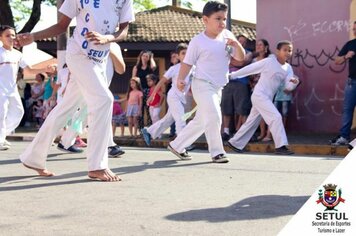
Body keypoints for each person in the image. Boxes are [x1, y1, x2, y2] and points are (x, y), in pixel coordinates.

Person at [16, 0, 134, 181]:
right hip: (78, 55)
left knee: (65, 108)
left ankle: (33, 158)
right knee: (104, 100)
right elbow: (61, 25)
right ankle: (97, 166)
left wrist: (107, 38)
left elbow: (124, 31)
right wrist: (33, 36)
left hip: (100, 61)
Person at [167, 1, 245, 163]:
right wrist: (181, 80)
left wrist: (237, 45)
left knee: (202, 121)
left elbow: (239, 58)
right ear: (205, 20)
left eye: (224, 19)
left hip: (218, 87)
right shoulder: (198, 41)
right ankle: (217, 152)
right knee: (215, 116)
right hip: (201, 85)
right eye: (218, 19)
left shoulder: (228, 36)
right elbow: (187, 63)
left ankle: (177, 145)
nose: (222, 23)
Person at [226, 40, 299, 155]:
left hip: (267, 98)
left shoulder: (288, 68)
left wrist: (294, 82)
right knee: (276, 117)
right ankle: (281, 146)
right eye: (285, 50)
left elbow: (287, 87)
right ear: (278, 51)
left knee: (251, 122)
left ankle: (234, 143)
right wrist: (233, 75)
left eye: (290, 50)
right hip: (259, 95)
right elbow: (251, 68)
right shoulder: (270, 61)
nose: (288, 52)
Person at [0, 25, 53, 151]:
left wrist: (45, 69)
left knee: (19, 112)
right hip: (1, 90)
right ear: (1, 38)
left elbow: (29, 69)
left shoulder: (18, 54)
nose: (11, 38)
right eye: (7, 35)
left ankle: (1, 136)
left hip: (12, 90)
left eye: (13, 35)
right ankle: (0, 140)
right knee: (2, 114)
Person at [141, 43, 193, 145]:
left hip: (183, 99)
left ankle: (148, 131)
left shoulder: (193, 68)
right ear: (178, 56)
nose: (186, 55)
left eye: (188, 53)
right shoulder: (174, 68)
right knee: (181, 119)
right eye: (183, 53)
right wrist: (152, 96)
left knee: (168, 120)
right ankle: (181, 145)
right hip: (173, 97)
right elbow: (161, 82)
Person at [221, 34, 253, 141]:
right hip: (227, 81)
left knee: (242, 109)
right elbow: (225, 60)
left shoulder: (248, 52)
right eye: (240, 41)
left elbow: (243, 62)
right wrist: (236, 62)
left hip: (242, 82)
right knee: (226, 107)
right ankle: (225, 132)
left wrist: (233, 61)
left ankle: (243, 132)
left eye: (244, 42)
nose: (242, 43)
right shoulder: (230, 48)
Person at [330, 21, 356, 146]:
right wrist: (346, 56)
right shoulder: (350, 44)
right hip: (352, 83)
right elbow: (337, 61)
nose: (354, 31)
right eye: (354, 29)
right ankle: (344, 136)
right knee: (347, 110)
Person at [132, 50, 157, 130]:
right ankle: (141, 129)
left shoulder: (150, 67)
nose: (145, 58)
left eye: (147, 56)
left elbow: (154, 67)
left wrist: (152, 57)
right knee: (140, 111)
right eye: (143, 56)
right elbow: (133, 79)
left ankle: (150, 129)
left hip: (148, 91)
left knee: (149, 110)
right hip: (139, 91)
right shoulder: (136, 67)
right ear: (140, 57)